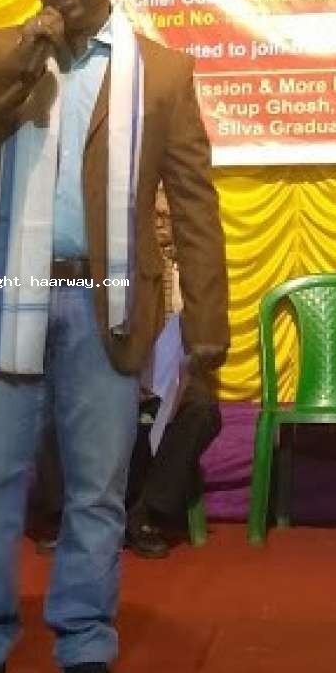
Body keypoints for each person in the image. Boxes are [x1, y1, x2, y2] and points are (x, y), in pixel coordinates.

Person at [0, 0, 229, 673]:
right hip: (8, 297)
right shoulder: (0, 52)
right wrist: (21, 57)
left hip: (109, 303)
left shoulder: (162, 73)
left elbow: (193, 203)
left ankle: (86, 648)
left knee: (96, 488)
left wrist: (207, 321)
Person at [125, 186, 222, 558]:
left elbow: (210, 335)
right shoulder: (125, 265)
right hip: (127, 369)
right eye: (156, 217)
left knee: (203, 412)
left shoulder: (199, 269)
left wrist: (181, 376)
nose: (162, 224)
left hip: (180, 374)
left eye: (169, 217)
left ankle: (147, 513)